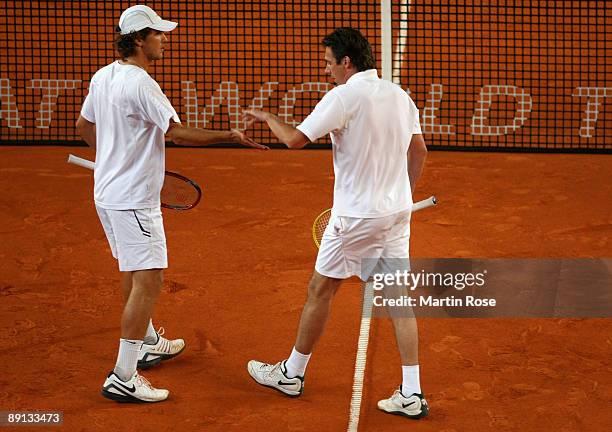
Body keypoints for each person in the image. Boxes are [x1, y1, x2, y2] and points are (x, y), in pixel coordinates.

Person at [76, 5, 267, 404]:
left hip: (108, 194)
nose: (165, 39)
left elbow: (83, 126)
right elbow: (178, 134)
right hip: (132, 199)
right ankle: (123, 375)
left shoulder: (103, 76)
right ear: (138, 40)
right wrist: (229, 135)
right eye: (158, 34)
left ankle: (144, 341)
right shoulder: (142, 84)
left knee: (132, 269)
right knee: (149, 280)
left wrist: (113, 157)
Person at [243, 27, 429, 419]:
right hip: (397, 215)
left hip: (355, 217)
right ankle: (412, 392)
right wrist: (402, 196)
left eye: (329, 63)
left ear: (347, 62)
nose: (327, 70)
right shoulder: (400, 95)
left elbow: (295, 140)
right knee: (398, 300)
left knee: (320, 289)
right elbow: (419, 151)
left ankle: (291, 374)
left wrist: (266, 116)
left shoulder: (344, 96)